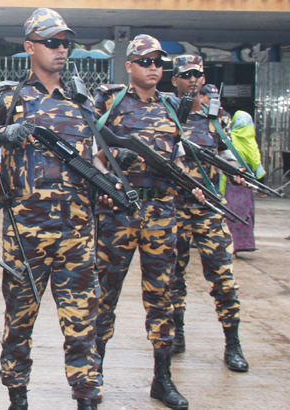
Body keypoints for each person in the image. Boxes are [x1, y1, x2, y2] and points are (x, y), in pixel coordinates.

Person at [0, 8, 104, 410]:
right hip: (25, 234)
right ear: (31, 47)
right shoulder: (8, 97)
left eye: (66, 42)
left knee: (83, 324)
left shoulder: (83, 102)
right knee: (19, 323)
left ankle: (87, 397)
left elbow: (97, 158)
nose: (61, 49)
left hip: (78, 234)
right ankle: (18, 396)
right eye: (52, 42)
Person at [93, 35, 196, 410]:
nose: (154, 67)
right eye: (146, 60)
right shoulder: (111, 101)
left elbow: (179, 155)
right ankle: (94, 372)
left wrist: (189, 180)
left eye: (158, 62)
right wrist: (109, 179)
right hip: (120, 211)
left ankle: (162, 378)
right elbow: (94, 150)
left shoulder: (171, 108)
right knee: (106, 293)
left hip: (162, 213)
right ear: (130, 66)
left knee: (161, 295)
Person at [168, 59, 249, 373]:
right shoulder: (168, 114)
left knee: (223, 278)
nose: (192, 80)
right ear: (175, 80)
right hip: (175, 209)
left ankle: (233, 344)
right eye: (186, 75)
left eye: (197, 75)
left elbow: (228, 155)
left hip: (209, 209)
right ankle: (177, 335)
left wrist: (240, 171)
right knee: (173, 279)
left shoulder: (216, 120)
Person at [221, 110, 265, 252]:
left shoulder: (229, 138)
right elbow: (256, 163)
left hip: (229, 183)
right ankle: (242, 244)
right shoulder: (250, 140)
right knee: (244, 214)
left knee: (229, 213)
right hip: (244, 185)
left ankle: (229, 244)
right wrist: (261, 185)